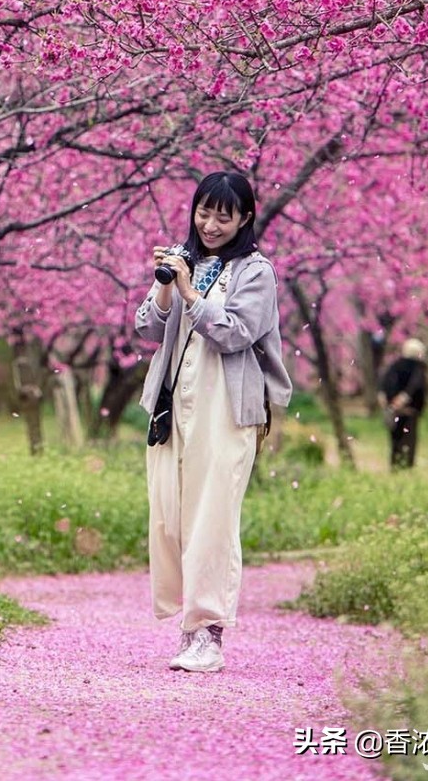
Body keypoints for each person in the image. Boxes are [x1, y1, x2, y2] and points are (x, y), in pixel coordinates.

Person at [134, 172, 292, 673]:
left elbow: (239, 330)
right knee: (171, 514)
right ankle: (189, 623)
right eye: (204, 212)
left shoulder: (255, 271)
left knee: (212, 517)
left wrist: (190, 292)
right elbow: (147, 328)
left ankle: (207, 634)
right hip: (172, 405)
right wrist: (166, 287)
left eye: (224, 215)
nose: (211, 224)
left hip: (225, 407)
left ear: (245, 217)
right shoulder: (189, 261)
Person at [377, 338, 428, 470]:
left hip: (393, 410)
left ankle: (395, 466)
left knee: (395, 440)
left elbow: (383, 383)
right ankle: (406, 466)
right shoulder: (419, 367)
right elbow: (416, 385)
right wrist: (404, 398)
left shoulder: (394, 365)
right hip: (410, 411)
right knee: (408, 441)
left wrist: (386, 399)